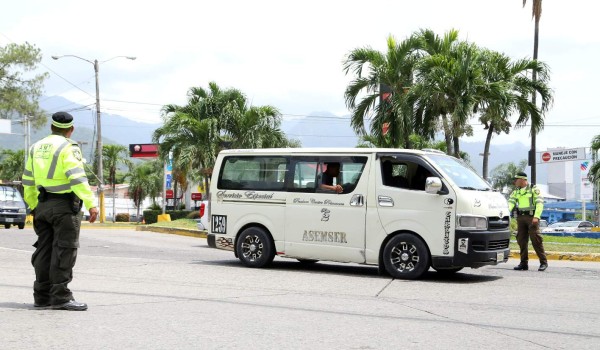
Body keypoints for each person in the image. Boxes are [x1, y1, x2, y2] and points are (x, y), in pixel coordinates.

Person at [22, 112, 99, 311]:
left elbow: (28, 180)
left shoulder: (35, 147)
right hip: (64, 207)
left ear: (51, 127)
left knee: (44, 250)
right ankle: (61, 297)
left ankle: (41, 296)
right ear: (70, 129)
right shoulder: (68, 147)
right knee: (64, 250)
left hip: (42, 205)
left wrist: (33, 205)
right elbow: (76, 178)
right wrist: (91, 203)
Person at [508, 171, 547, 271]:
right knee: (521, 240)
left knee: (536, 240)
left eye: (516, 180)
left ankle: (543, 262)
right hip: (521, 218)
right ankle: (523, 263)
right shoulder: (516, 191)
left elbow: (539, 204)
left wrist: (536, 216)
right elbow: (511, 202)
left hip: (532, 218)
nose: (515, 182)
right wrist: (506, 212)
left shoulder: (534, 189)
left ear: (522, 179)